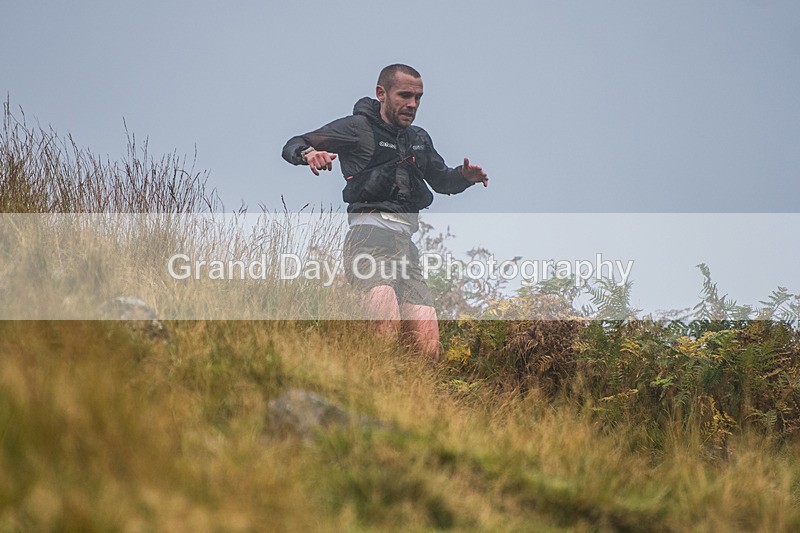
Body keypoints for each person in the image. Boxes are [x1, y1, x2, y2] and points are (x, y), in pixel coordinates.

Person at [282, 64, 488, 362]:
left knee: (428, 347)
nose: (412, 105)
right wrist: (308, 154)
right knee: (386, 328)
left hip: (407, 249)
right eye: (405, 95)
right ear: (381, 93)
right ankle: (365, 385)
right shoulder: (357, 129)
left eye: (418, 98)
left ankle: (414, 404)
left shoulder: (419, 139)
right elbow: (295, 143)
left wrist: (465, 177)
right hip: (369, 240)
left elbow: (442, 180)